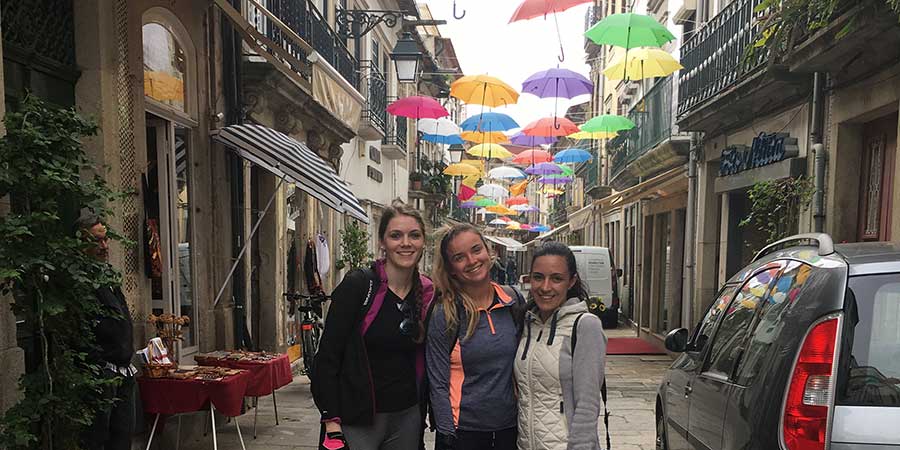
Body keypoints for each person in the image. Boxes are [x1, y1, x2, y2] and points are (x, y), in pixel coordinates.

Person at [312, 204, 434, 450]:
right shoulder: (358, 286)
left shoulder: (428, 293)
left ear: (423, 242)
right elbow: (327, 358)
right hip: (357, 419)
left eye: (414, 235)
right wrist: (331, 422)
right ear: (382, 242)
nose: (406, 243)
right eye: (396, 235)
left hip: (407, 418)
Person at [427, 223, 525, 450]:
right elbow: (438, 383)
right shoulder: (446, 314)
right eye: (459, 257)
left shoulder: (512, 301)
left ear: (489, 251)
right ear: (451, 268)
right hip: (463, 433)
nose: (472, 261)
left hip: (509, 429)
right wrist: (447, 435)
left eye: (476, 250)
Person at [515, 241, 608, 450]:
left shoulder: (585, 326)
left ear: (571, 281)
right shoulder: (527, 323)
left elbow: (587, 405)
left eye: (556, 279)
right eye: (538, 277)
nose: (545, 287)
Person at [78, 214, 137, 450]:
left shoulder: (108, 275)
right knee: (97, 437)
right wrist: (98, 364)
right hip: (102, 371)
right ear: (81, 242)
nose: (103, 246)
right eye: (97, 240)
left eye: (105, 240)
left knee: (123, 435)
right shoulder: (79, 279)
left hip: (123, 370)